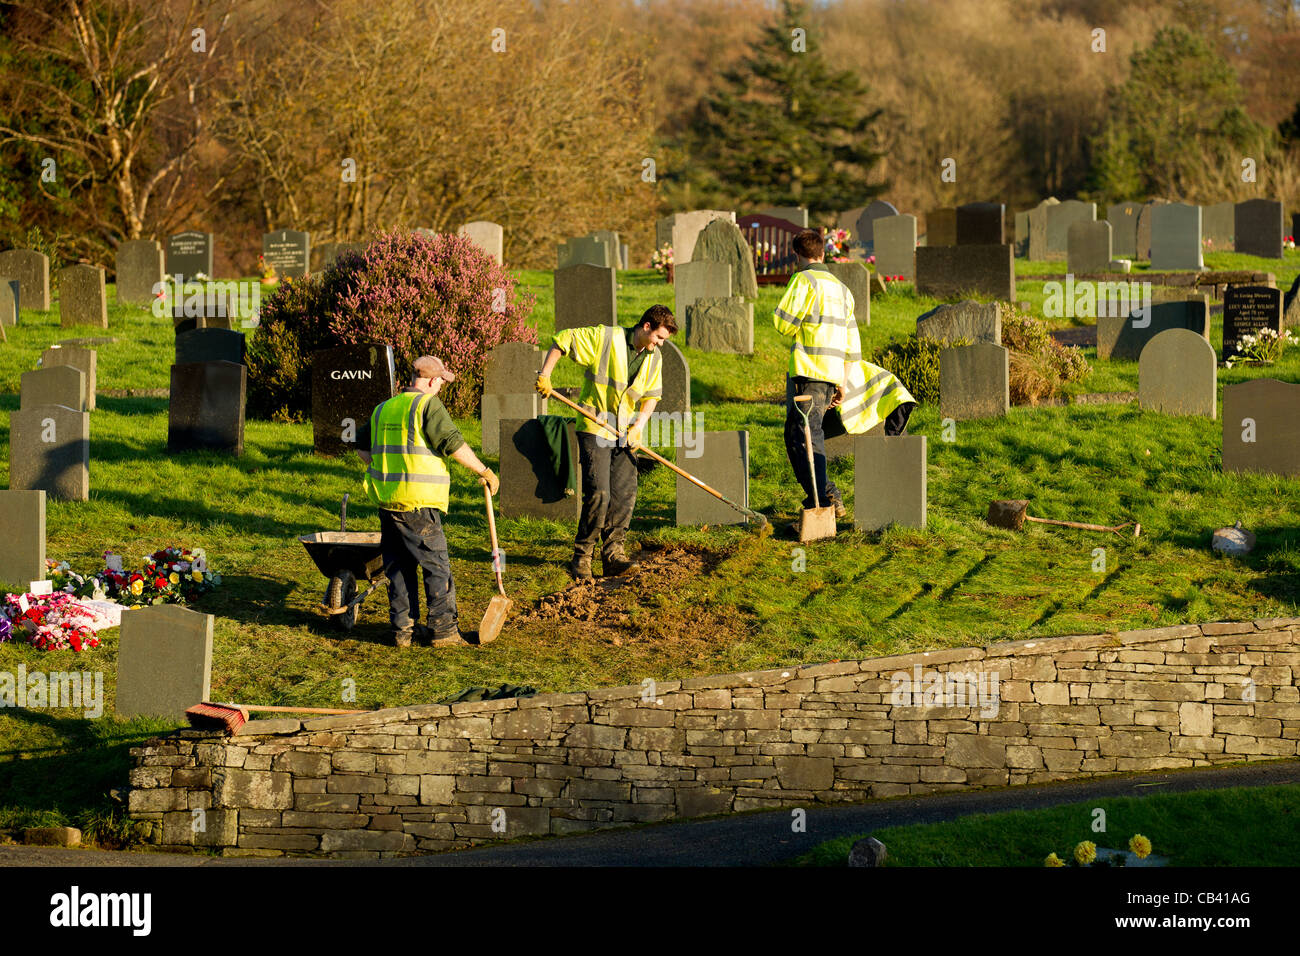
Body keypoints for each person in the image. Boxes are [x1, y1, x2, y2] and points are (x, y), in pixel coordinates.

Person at [357, 355, 498, 648]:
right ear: (433, 381)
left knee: (398, 567)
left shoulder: (384, 408)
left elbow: (361, 448)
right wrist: (484, 470)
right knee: (436, 566)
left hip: (387, 502)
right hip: (418, 504)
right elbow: (453, 443)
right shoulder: (427, 405)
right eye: (441, 382)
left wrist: (384, 466)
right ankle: (445, 632)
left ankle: (402, 632)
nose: (441, 388)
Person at [535, 305, 678, 581]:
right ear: (646, 326)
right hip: (595, 426)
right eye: (659, 337)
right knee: (599, 493)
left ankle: (613, 555)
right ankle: (583, 556)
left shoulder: (654, 357)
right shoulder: (606, 338)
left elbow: (651, 396)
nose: (660, 345)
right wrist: (545, 375)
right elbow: (563, 340)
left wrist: (638, 428)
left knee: (624, 493)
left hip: (624, 432)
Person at [773, 229, 862, 524]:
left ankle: (822, 502)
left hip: (808, 373)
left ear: (798, 255)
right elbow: (853, 346)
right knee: (801, 435)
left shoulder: (803, 280)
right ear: (823, 253)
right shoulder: (842, 289)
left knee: (806, 438)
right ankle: (824, 494)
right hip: (832, 375)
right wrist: (842, 384)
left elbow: (782, 323)